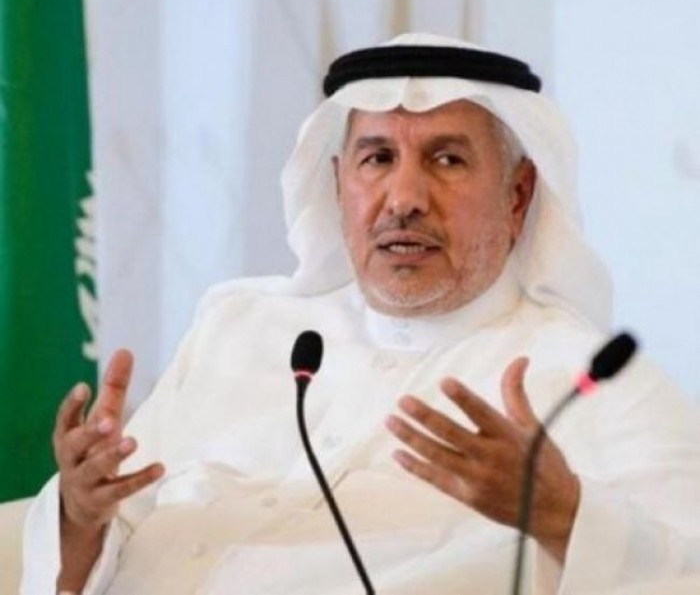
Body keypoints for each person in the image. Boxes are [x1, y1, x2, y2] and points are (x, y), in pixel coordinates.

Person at [22, 33, 700, 594]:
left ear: (517, 196)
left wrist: (565, 515)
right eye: (378, 158)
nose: (404, 198)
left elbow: (686, 569)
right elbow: (91, 549)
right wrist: (79, 512)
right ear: (338, 184)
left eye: (447, 160)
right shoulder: (240, 325)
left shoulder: (594, 384)